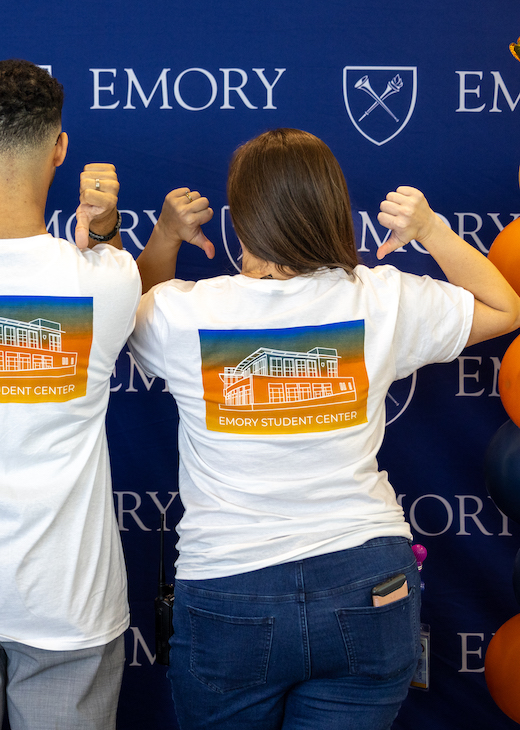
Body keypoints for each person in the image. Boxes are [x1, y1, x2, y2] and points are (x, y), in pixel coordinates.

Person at [126, 127, 520, 730]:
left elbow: (132, 311)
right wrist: (434, 230)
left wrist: (163, 236)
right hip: (368, 581)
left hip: (230, 586)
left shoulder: (185, 312)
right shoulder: (379, 299)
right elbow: (505, 308)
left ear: (241, 218)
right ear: (333, 205)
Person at [0, 59, 209, 729]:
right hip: (70, 603)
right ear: (60, 147)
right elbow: (130, 289)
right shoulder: (107, 278)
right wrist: (108, 227)